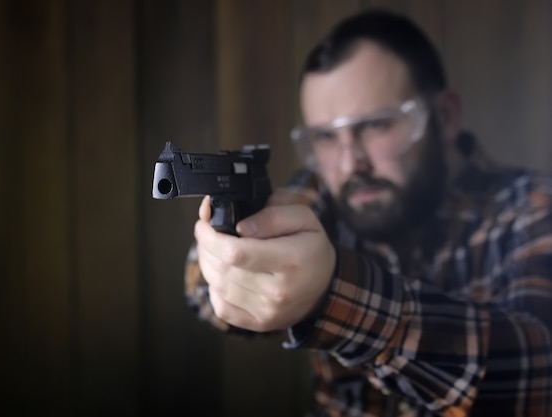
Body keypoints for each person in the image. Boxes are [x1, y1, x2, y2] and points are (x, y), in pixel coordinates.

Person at [184, 9, 552, 417]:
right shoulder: (322, 188)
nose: (349, 163)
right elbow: (200, 292)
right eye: (325, 136)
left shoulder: (532, 207)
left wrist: (331, 296)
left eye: (375, 126)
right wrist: (230, 256)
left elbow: (538, 375)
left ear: (444, 117)